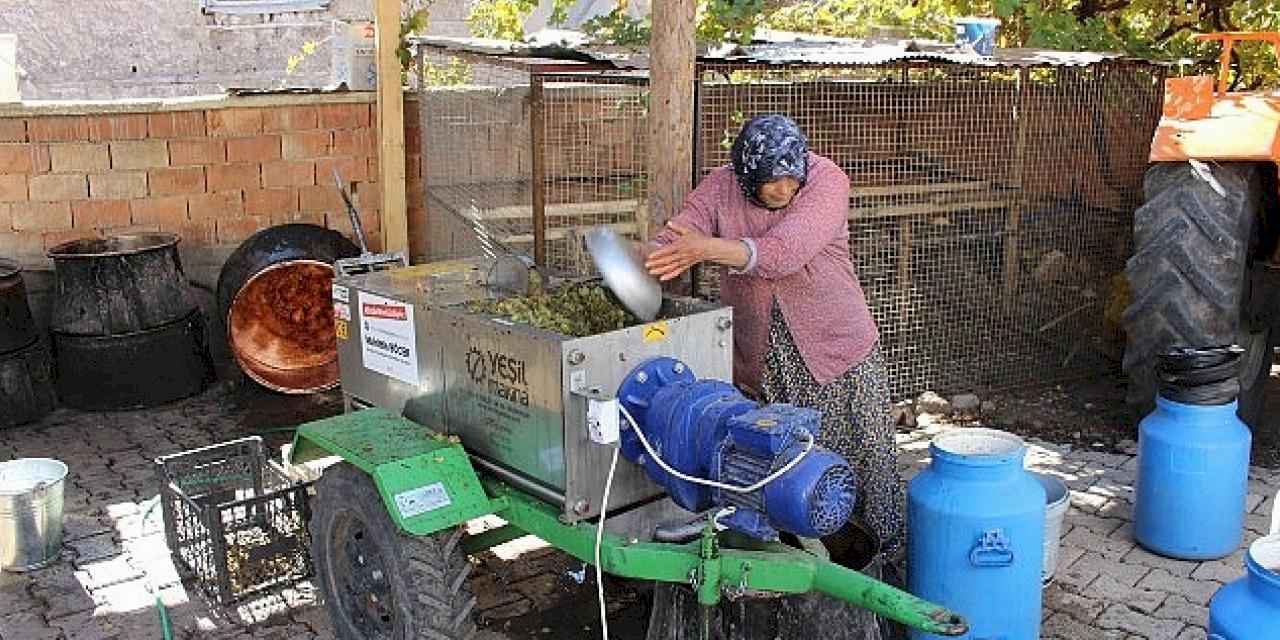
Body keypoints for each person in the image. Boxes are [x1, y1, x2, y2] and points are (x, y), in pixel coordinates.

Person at [644, 114, 907, 629]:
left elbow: (785, 252)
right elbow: (684, 230)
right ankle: (802, 591)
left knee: (864, 463)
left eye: (792, 179)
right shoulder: (720, 187)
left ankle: (886, 587)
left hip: (837, 353)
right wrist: (653, 256)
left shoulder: (827, 180)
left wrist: (708, 250)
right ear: (744, 177)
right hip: (764, 359)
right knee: (781, 470)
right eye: (771, 183)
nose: (785, 189)